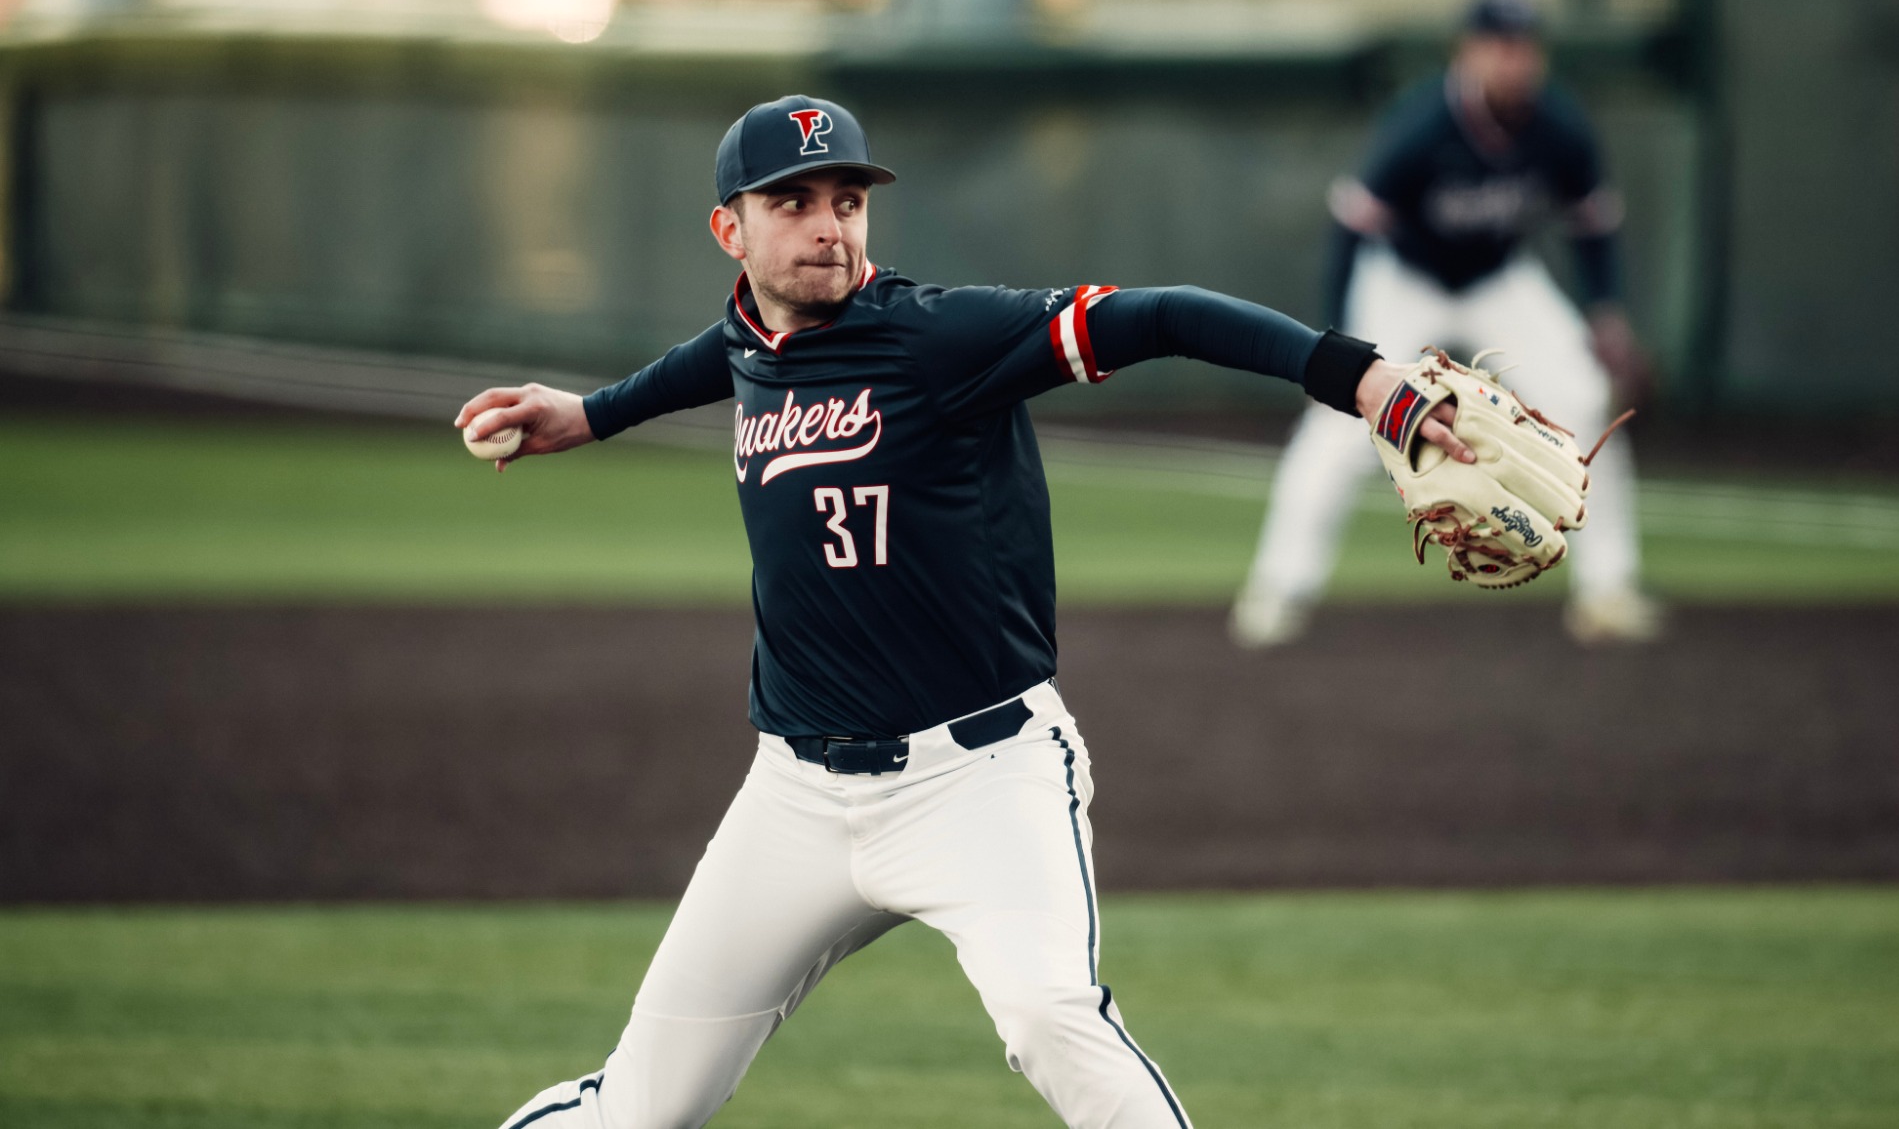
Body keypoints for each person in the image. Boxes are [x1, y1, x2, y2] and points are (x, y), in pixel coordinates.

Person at [455, 94, 1474, 1129]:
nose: (828, 224)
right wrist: (590, 413)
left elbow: (1161, 314)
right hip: (793, 796)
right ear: (731, 229)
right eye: (793, 200)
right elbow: (715, 360)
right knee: (638, 1104)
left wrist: (1369, 383)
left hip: (977, 780)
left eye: (847, 199)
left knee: (1048, 1019)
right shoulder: (749, 342)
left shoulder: (939, 337)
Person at [1230, 0, 1661, 648]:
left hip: (1500, 279)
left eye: (1524, 47)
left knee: (1582, 397)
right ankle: (1278, 587)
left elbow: (1593, 224)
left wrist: (1607, 315)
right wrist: (1338, 344)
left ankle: (1608, 587)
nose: (1514, 61)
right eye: (1500, 46)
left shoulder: (1558, 124)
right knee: (1342, 425)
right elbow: (1351, 227)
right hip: (1404, 280)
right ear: (1469, 51)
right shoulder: (1423, 124)